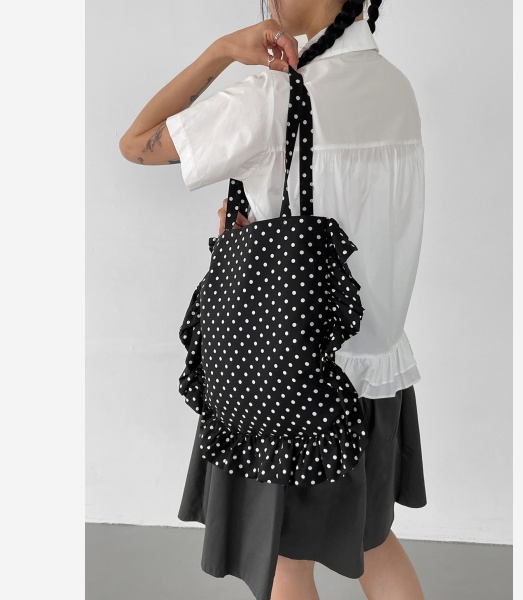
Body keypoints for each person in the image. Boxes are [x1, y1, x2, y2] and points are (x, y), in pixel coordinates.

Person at [120, 1, 427, 599]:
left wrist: (220, 52)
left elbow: (135, 142)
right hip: (378, 372)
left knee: (287, 562)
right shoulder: (396, 87)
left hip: (289, 381)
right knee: (374, 541)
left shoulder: (273, 99)